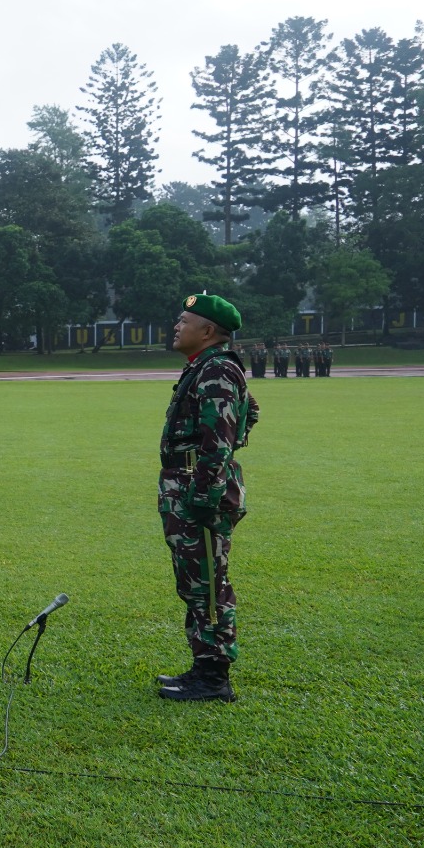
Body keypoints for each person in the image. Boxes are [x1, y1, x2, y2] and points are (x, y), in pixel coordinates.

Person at [155, 292, 259, 702]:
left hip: (199, 492)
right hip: (188, 485)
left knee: (209, 585)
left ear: (208, 331)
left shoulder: (217, 370)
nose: (177, 326)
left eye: (184, 320)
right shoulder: (204, 368)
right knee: (196, 582)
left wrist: (203, 496)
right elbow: (249, 412)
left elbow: (219, 442)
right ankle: (203, 667)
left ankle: (214, 678)